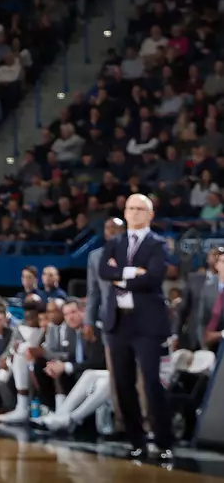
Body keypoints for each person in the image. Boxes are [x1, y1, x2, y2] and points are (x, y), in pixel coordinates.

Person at [100, 193, 175, 461]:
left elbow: (154, 276)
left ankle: (164, 441)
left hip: (148, 324)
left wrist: (120, 276)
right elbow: (103, 271)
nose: (133, 213)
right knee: (123, 384)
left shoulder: (158, 244)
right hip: (118, 323)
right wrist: (133, 273)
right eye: (130, 208)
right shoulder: (115, 241)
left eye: (139, 209)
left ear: (150, 214)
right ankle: (136, 441)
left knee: (153, 383)